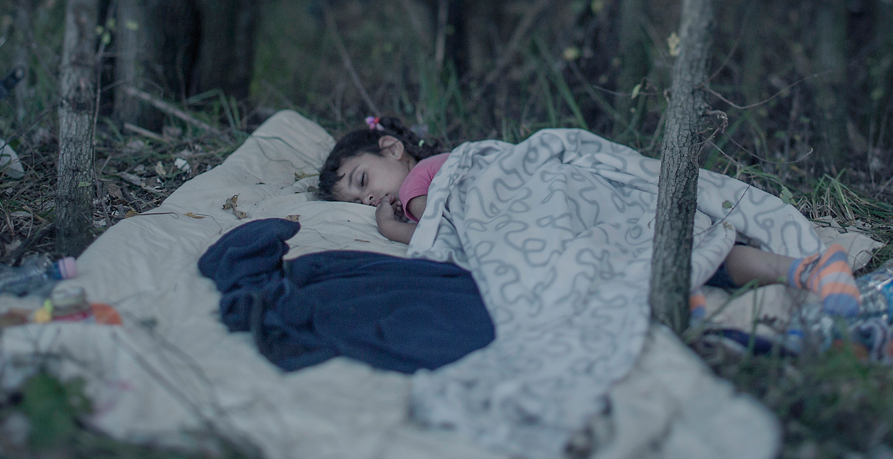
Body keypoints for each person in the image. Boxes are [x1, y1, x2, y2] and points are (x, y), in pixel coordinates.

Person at [317, 116, 861, 319]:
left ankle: (685, 295)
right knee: (691, 247)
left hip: (551, 203)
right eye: (354, 202)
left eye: (362, 181)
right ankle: (807, 269)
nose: (367, 200)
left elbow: (431, 230)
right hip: (588, 199)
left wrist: (390, 227)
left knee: (598, 259)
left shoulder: (424, 178)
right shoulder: (439, 168)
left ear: (392, 149)